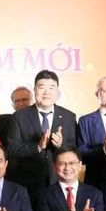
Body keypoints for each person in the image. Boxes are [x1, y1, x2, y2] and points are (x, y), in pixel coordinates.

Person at [6, 69, 77, 199]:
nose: (46, 92)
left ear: (57, 91)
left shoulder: (69, 116)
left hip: (59, 181)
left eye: (51, 87)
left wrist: (61, 145)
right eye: (42, 87)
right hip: (28, 183)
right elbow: (12, 149)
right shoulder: (19, 116)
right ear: (34, 90)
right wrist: (37, 146)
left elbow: (75, 149)